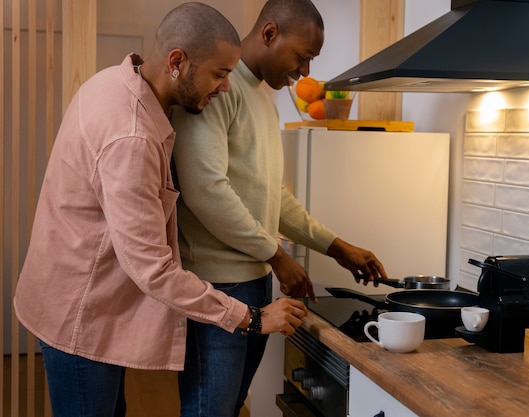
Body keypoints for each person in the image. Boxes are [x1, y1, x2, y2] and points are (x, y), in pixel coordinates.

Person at [13, 3, 308, 417]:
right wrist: (252, 319)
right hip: (80, 311)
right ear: (177, 62)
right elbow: (154, 269)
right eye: (219, 74)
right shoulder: (131, 137)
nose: (225, 88)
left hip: (85, 298)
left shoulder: (115, 80)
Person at [170, 1, 388, 416]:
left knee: (228, 408)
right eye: (302, 57)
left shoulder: (263, 99)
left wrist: (336, 247)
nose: (305, 72)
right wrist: (276, 255)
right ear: (270, 34)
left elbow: (274, 196)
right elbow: (205, 190)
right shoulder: (218, 88)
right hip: (217, 287)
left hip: (252, 282)